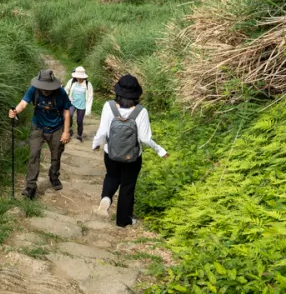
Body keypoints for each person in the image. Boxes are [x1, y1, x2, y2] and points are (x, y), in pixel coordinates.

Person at [91, 74, 168, 228]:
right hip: (132, 157)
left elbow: (103, 131)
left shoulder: (109, 106)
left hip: (111, 153)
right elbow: (145, 138)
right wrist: (160, 151)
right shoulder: (141, 111)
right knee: (127, 186)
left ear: (118, 91)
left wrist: (96, 143)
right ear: (136, 93)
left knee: (111, 176)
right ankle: (122, 221)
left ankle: (106, 197)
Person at [9, 68, 73, 199]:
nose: (45, 90)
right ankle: (30, 187)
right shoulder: (34, 89)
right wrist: (15, 111)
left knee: (56, 155)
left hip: (56, 128)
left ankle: (54, 176)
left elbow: (66, 112)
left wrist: (66, 132)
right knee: (34, 154)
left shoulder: (61, 93)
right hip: (38, 127)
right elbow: (23, 103)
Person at [64, 66, 94, 142]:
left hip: (82, 105)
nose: (78, 78)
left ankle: (79, 135)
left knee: (79, 121)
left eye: (80, 77)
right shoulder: (71, 81)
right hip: (72, 102)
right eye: (77, 77)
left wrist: (88, 109)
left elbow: (90, 97)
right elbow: (66, 90)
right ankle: (70, 128)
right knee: (69, 114)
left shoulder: (88, 84)